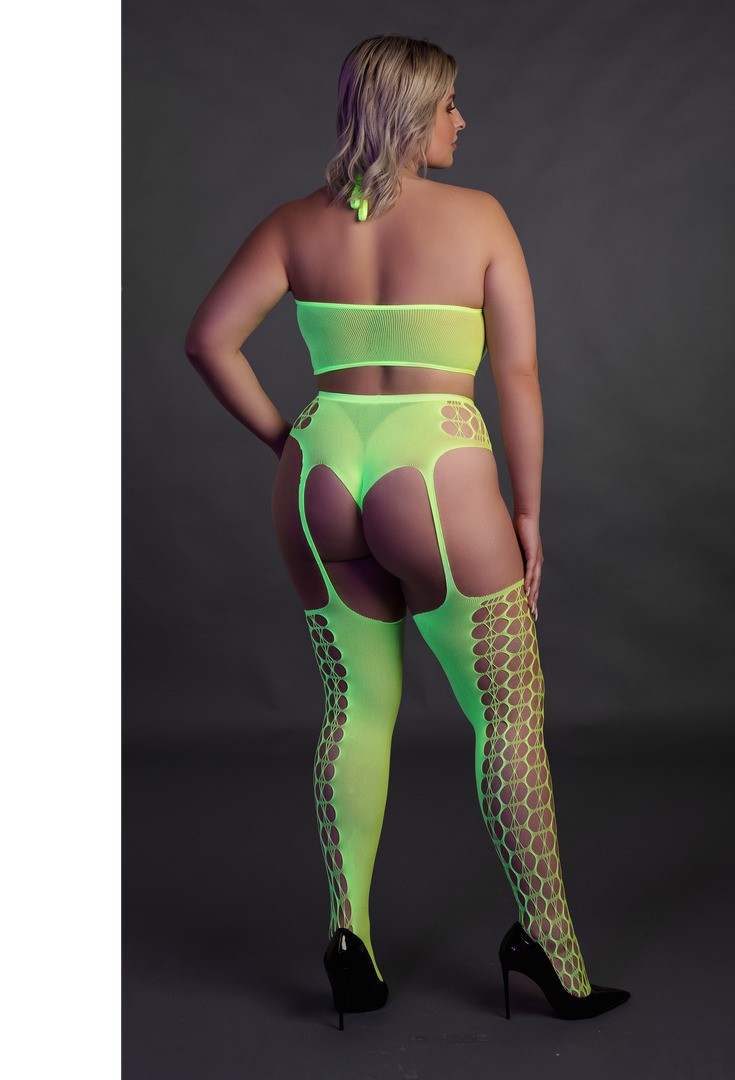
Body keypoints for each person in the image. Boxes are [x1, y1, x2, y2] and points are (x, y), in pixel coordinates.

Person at [184, 34, 629, 1028]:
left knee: (356, 708)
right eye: (450, 105)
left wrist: (288, 441)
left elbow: (208, 341)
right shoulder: (481, 218)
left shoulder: (293, 224)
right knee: (508, 717)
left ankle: (349, 935)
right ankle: (552, 951)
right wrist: (527, 513)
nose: (462, 122)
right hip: (438, 471)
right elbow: (517, 376)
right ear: (412, 113)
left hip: (322, 468)